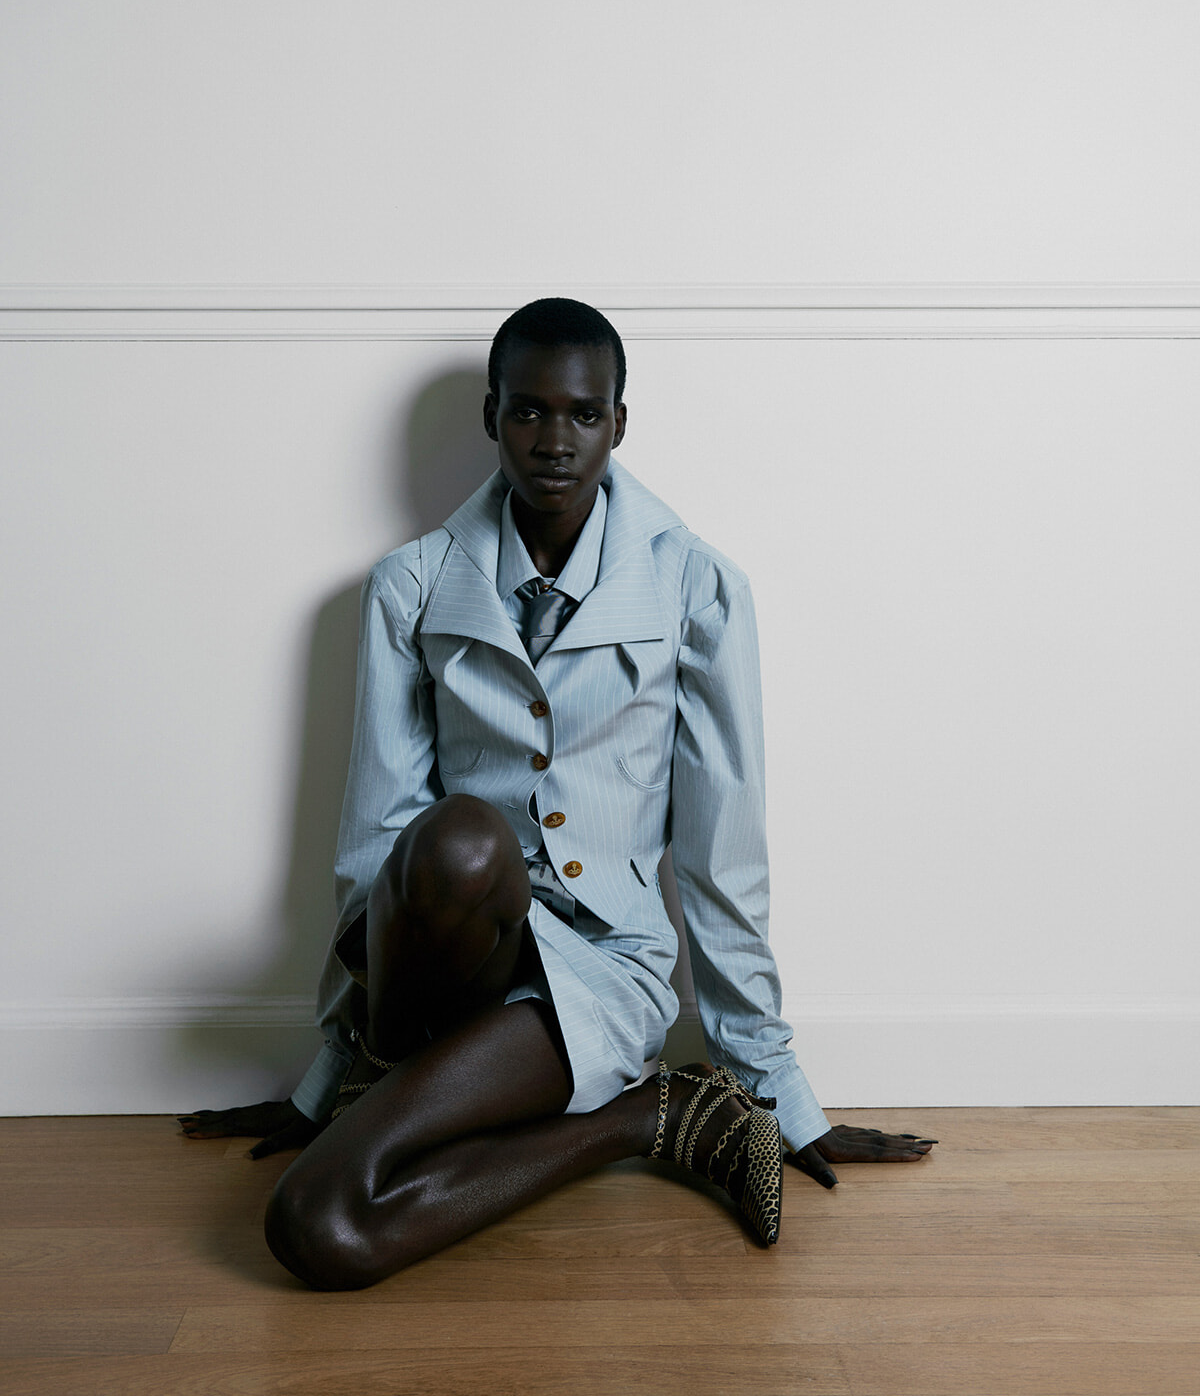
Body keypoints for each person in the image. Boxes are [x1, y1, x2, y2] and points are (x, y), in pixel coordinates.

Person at [180, 298, 935, 1289]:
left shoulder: (696, 587)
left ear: (620, 422)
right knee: (459, 840)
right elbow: (374, 841)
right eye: (529, 411)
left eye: (583, 414)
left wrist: (775, 1084)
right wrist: (326, 1072)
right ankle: (396, 1078)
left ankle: (648, 1116)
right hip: (449, 961)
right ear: (492, 417)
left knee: (316, 1225)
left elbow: (722, 854)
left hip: (602, 969)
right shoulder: (412, 584)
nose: (555, 440)